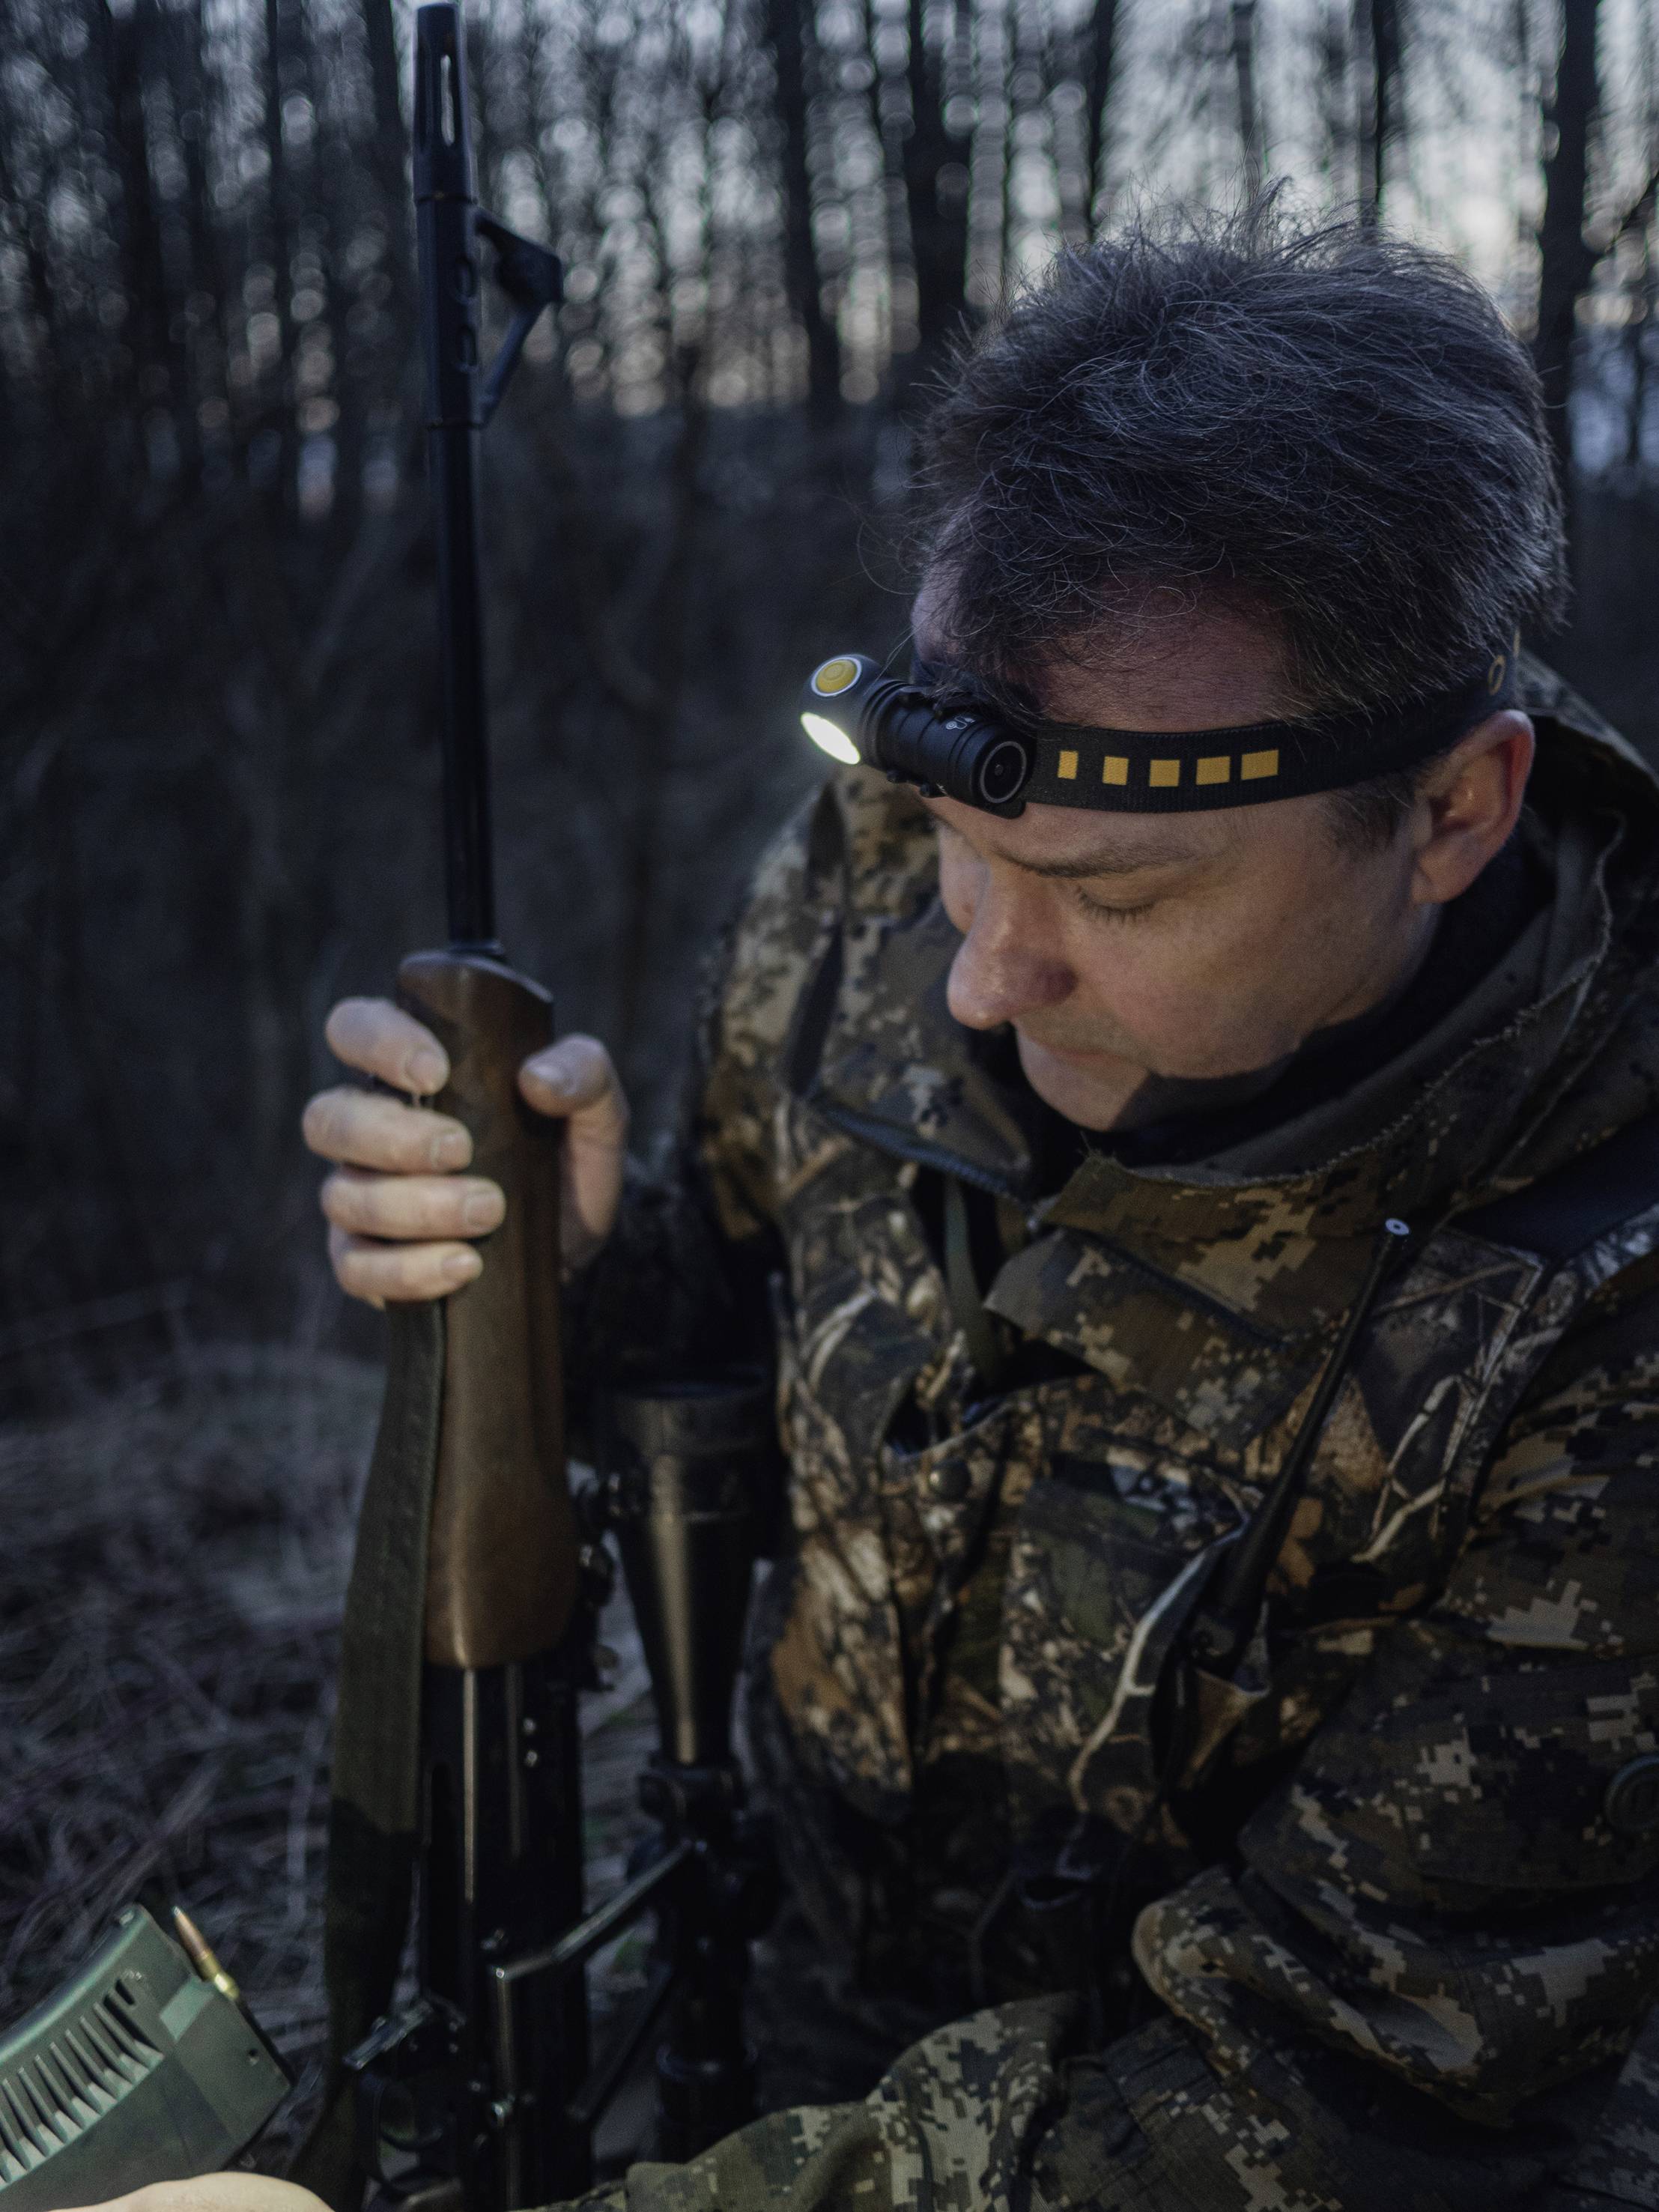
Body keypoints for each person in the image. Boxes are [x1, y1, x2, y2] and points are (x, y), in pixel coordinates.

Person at [108, 210, 1659, 2211]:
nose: (982, 974)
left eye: (1116, 895)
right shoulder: (863, 872)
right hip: (788, 1989)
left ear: (1452, 811)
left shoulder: (1607, 1295)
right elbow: (741, 1325)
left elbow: (1330, 2100)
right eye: (956, 843)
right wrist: (562, 1284)